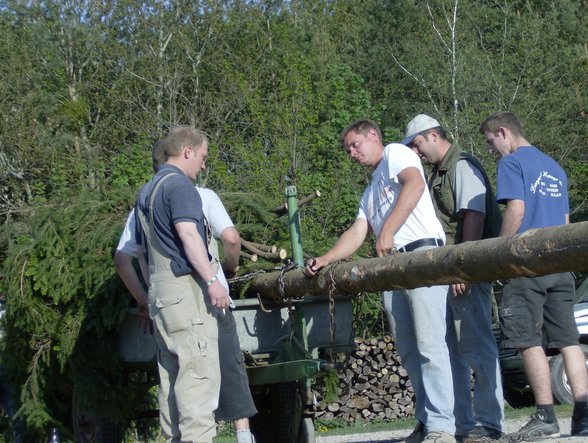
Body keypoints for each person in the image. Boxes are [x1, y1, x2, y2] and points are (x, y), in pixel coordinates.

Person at [305, 120, 456, 443]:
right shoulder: (371, 189)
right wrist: (327, 258)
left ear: (373, 134)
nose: (352, 153)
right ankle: (428, 420)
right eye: (347, 150)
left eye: (355, 145)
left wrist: (387, 229)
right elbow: (358, 231)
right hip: (391, 267)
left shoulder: (396, 153)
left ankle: (443, 426)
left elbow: (414, 185)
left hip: (421, 256)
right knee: (409, 350)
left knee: (431, 345)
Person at [480, 111, 588, 441]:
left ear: (503, 132)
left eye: (491, 142)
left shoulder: (512, 164)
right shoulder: (555, 168)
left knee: (526, 340)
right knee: (569, 341)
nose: (491, 150)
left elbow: (517, 209)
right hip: (559, 266)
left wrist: (500, 254)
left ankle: (545, 415)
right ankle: (583, 417)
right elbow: (566, 221)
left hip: (526, 268)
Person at [115, 198, 257, 443]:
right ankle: (242, 435)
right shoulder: (201, 196)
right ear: (187, 157)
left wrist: (143, 299)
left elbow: (122, 260)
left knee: (176, 377)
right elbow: (232, 239)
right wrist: (227, 269)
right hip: (211, 301)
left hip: (167, 306)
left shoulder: (143, 206)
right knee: (227, 364)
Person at [402, 114, 505, 441]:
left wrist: (463, 266)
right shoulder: (440, 171)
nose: (416, 152)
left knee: (477, 346)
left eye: (417, 144)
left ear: (432, 135)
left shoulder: (461, 165)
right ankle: (463, 424)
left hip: (466, 270)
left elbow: (473, 214)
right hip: (452, 271)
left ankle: (490, 422)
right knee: (454, 350)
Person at [134, 126, 228, 442]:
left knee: (171, 383)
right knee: (198, 382)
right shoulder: (181, 187)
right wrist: (213, 280)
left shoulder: (147, 192)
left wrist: (152, 294)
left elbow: (140, 252)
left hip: (160, 296)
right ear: (187, 152)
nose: (203, 165)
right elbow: (189, 235)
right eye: (202, 157)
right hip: (186, 297)